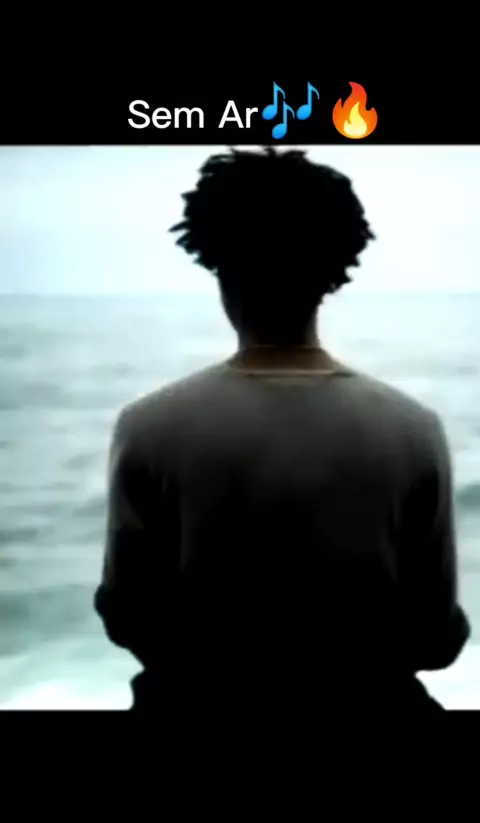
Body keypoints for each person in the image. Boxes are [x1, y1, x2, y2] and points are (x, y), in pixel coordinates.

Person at [94, 147, 470, 717]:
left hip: (192, 731)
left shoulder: (148, 426)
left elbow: (127, 617)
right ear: (331, 275)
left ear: (217, 266)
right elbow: (435, 640)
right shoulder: (413, 428)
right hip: (370, 733)